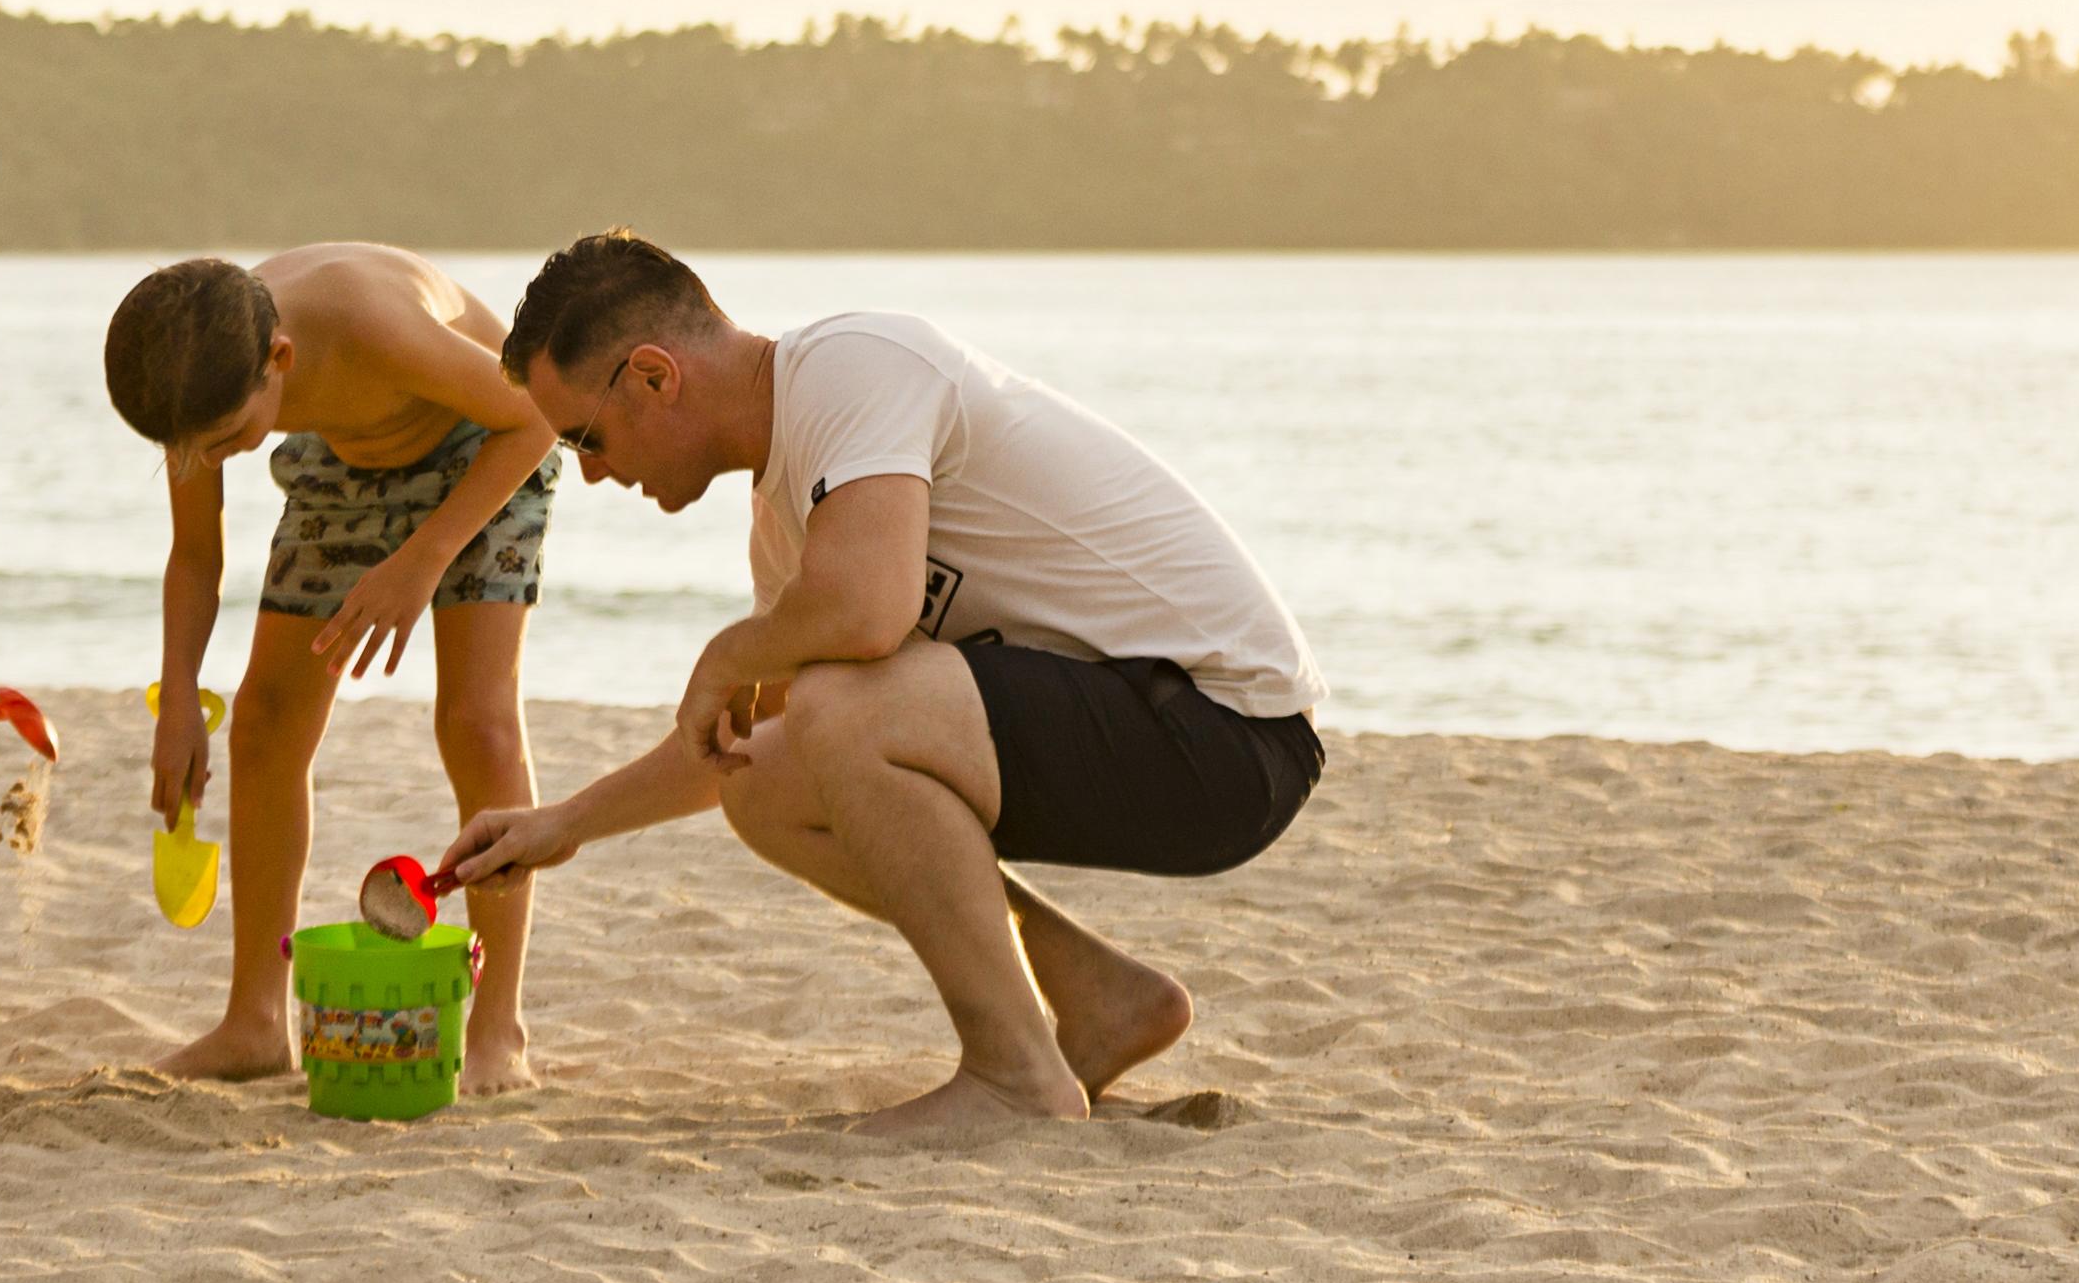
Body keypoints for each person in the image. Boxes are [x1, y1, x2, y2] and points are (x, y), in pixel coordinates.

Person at [439, 232, 1324, 1133]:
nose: (589, 471)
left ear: (656, 377)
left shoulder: (853, 367)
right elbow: (743, 742)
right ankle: (1097, 999)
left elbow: (867, 615)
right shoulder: (794, 515)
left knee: (839, 701)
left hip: (1228, 732)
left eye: (586, 437)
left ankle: (1016, 1078)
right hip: (1140, 732)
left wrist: (728, 655)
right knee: (768, 784)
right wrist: (563, 825)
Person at [106, 245, 561, 1100]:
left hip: (485, 446)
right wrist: (177, 706)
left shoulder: (365, 321)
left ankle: (499, 1024)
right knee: (265, 717)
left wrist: (423, 558)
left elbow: (536, 416)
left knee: (476, 721)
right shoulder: (193, 382)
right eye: (200, 449)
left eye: (235, 438)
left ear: (279, 359)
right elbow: (195, 554)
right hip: (345, 459)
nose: (220, 457)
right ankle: (252, 1023)